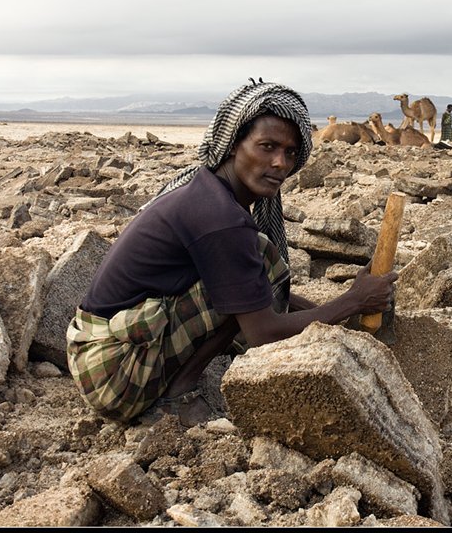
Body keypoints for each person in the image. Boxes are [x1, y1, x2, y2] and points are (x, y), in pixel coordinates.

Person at [65, 80, 398, 427]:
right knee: (261, 259)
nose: (280, 163)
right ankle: (180, 392)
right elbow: (263, 331)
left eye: (290, 152)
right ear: (234, 144)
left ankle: (180, 376)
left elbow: (251, 289)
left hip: (95, 353)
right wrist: (353, 303)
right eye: (267, 146)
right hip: (112, 375)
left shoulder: (203, 189)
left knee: (251, 269)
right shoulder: (220, 218)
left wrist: (343, 314)